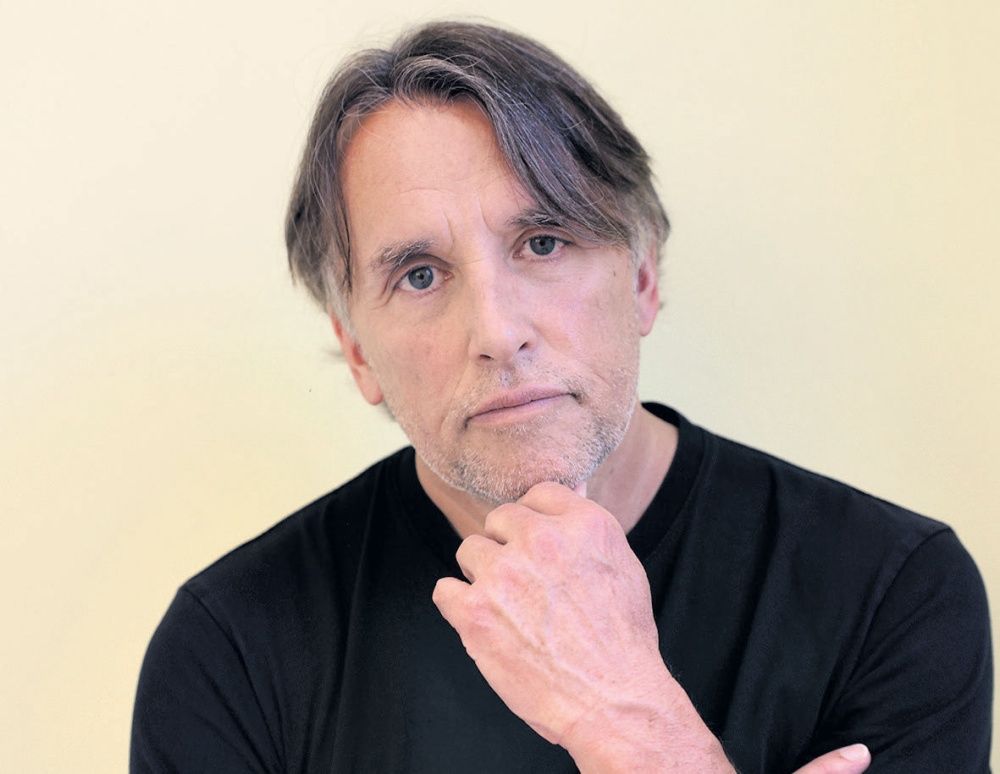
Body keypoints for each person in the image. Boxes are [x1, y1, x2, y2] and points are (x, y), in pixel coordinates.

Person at [130, 21, 992, 773]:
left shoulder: (892, 591)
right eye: (420, 274)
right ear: (358, 349)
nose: (498, 331)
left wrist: (627, 719)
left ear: (643, 276)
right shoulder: (231, 650)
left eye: (543, 241)